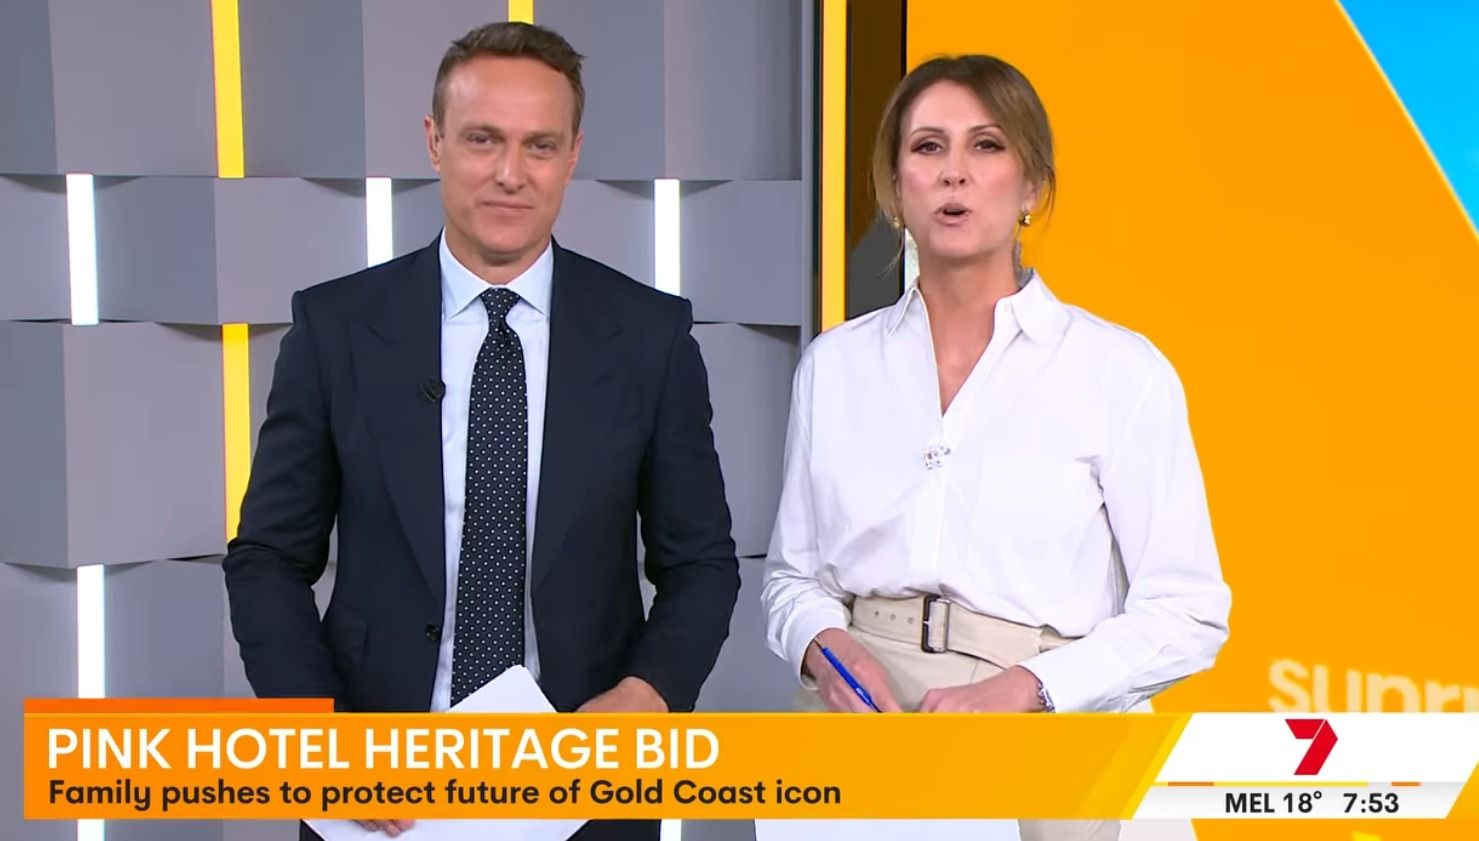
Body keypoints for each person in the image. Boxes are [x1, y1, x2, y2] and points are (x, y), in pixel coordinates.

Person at [223, 21, 740, 841]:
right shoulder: (336, 327)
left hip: (579, 789)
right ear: (434, 142)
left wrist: (648, 692)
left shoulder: (650, 336)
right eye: (482, 139)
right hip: (377, 790)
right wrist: (321, 736)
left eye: (540, 145)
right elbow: (267, 558)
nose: (509, 172)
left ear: (572, 155)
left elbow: (701, 562)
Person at [761, 54, 1231, 841]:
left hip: (1044, 731)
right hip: (864, 734)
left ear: (1032, 186)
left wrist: (1029, 686)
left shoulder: (1117, 369)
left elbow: (1186, 611)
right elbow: (790, 577)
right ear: (895, 187)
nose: (953, 173)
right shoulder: (834, 367)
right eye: (927, 147)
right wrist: (821, 644)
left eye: (985, 145)